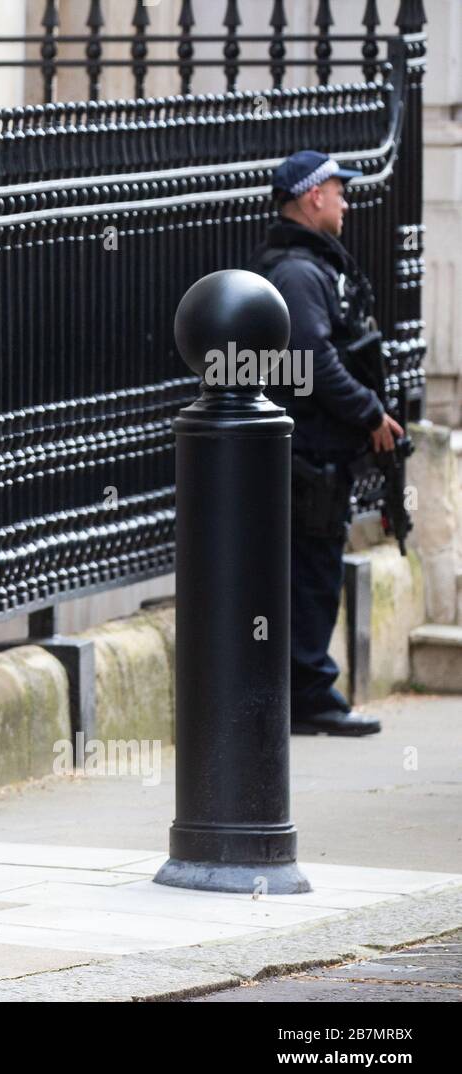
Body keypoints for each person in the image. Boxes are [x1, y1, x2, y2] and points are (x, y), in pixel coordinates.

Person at [247, 150, 404, 738]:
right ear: (313, 196)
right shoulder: (298, 271)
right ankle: (310, 695)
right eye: (339, 191)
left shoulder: (308, 266)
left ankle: (304, 692)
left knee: (311, 568)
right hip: (307, 452)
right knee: (312, 572)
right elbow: (311, 358)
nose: (345, 201)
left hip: (311, 449)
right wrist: (370, 414)